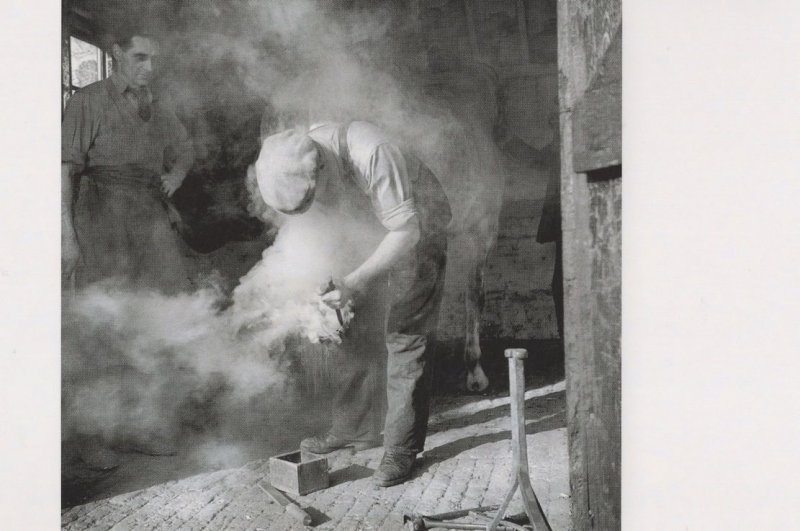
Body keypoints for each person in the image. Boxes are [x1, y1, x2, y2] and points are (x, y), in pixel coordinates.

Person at [253, 121, 451, 487]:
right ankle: (354, 429)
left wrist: (352, 281)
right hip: (376, 226)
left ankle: (401, 449)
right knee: (350, 322)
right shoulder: (299, 148)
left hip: (416, 230)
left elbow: (406, 232)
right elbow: (319, 223)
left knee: (404, 335)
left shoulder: (373, 152)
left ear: (323, 169)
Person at [61, 27, 194, 469]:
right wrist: (66, 235)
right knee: (102, 322)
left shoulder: (156, 106)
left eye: (153, 60)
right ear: (116, 54)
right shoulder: (88, 100)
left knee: (150, 318)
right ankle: (93, 435)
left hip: (148, 217)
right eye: (139, 58)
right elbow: (64, 170)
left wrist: (174, 178)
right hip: (101, 215)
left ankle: (137, 427)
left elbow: (186, 148)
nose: (148, 68)